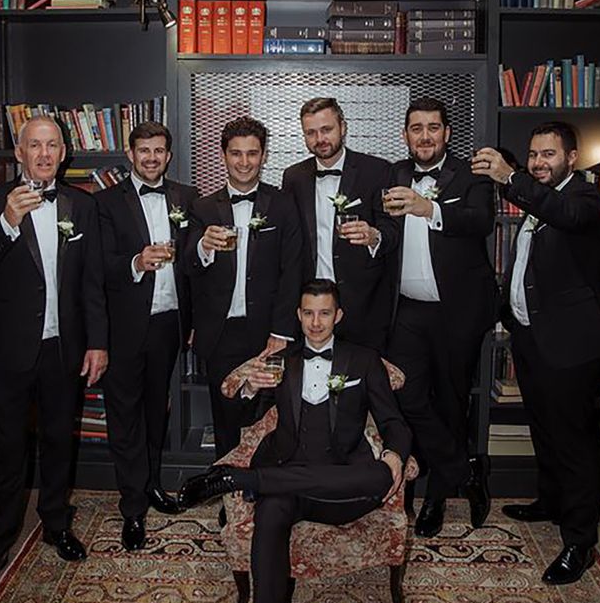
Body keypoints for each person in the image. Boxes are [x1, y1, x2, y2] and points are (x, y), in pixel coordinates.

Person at [176, 278, 412, 603]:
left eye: (325, 313)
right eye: (308, 314)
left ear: (338, 315)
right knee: (269, 517)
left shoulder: (364, 360)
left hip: (344, 488)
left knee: (379, 473)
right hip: (286, 478)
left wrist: (397, 455)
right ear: (298, 316)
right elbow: (247, 417)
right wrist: (249, 386)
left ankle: (241, 480)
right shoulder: (278, 362)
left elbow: (393, 422)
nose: (316, 322)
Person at [0, 116, 108, 602]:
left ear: (63, 152)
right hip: (8, 351)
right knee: (7, 450)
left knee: (59, 443)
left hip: (61, 348)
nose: (43, 154)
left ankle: (56, 525)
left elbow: (91, 283)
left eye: (51, 145)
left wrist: (97, 342)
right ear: (18, 154)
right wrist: (8, 222)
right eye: (33, 146)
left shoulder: (81, 206)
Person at [472, 122, 600, 584]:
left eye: (548, 154)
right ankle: (551, 501)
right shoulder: (542, 199)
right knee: (545, 429)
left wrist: (512, 177)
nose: (539, 162)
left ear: (572, 157)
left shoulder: (584, 198)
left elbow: (564, 216)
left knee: (574, 442)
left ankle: (579, 542)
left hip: (571, 345)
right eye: (533, 155)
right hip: (533, 339)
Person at [384, 96, 497, 538]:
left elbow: (480, 221)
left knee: (451, 401)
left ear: (447, 133)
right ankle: (464, 470)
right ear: (406, 135)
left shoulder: (472, 175)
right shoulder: (393, 173)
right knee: (404, 397)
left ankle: (436, 497)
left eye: (433, 127)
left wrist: (426, 207)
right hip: (406, 310)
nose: (425, 136)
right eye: (416, 128)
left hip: (457, 311)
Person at [95, 122, 198, 551]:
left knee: (157, 410)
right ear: (130, 154)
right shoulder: (104, 202)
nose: (152, 158)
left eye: (159, 151)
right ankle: (132, 507)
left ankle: (153, 484)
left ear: (169, 155)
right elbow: (100, 265)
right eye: (144, 151)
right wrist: (137, 261)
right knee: (125, 418)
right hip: (124, 328)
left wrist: (192, 320)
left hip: (168, 325)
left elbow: (194, 263)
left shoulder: (186, 198)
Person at [186, 115, 302, 458]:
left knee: (269, 417)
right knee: (225, 416)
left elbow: (292, 270)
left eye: (252, 153)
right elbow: (189, 268)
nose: (244, 162)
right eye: (236, 153)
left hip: (268, 331)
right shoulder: (202, 207)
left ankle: (264, 492)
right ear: (223, 156)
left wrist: (282, 330)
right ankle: (230, 491)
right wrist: (203, 246)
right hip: (220, 333)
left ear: (264, 156)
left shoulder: (282, 205)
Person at [282, 96, 399, 352]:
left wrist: (374, 236)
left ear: (343, 127)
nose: (320, 139)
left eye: (327, 129)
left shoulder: (377, 171)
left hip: (364, 306)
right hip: (312, 311)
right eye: (311, 133)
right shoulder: (293, 177)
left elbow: (393, 230)